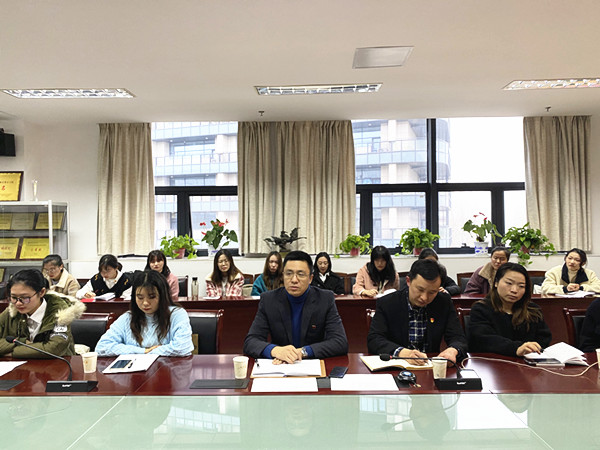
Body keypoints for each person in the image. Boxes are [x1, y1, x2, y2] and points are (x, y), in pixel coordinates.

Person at [243, 251, 348, 362]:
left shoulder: (325, 299)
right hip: (280, 365)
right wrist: (275, 350)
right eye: (288, 274)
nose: (294, 280)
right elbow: (250, 341)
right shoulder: (269, 300)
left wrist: (303, 352)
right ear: (283, 276)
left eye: (301, 274)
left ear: (310, 278)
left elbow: (340, 342)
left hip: (312, 365)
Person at [367, 258, 467, 364]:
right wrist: (402, 352)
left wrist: (452, 350)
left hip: (430, 366)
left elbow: (458, 337)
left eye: (432, 292)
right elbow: (374, 339)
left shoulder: (443, 302)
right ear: (408, 281)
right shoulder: (388, 303)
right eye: (420, 289)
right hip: (397, 366)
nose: (424, 297)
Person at [96, 270, 193, 356]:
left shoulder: (177, 315)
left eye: (152, 297)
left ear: (162, 296)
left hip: (168, 368)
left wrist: (150, 352)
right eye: (140, 297)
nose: (145, 303)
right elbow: (101, 347)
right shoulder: (127, 318)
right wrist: (143, 351)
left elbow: (183, 348)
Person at [468, 262, 552, 356]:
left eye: (521, 286)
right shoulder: (481, 309)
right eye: (509, 283)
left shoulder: (533, 310)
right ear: (496, 283)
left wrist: (534, 348)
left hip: (528, 361)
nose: (514, 290)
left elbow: (544, 339)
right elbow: (483, 340)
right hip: (492, 362)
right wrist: (516, 348)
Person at [0, 269, 85, 358]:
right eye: (14, 297)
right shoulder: (11, 312)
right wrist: (22, 341)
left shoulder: (61, 313)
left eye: (25, 298)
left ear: (41, 292)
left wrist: (12, 353)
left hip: (57, 364)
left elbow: (53, 349)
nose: (18, 303)